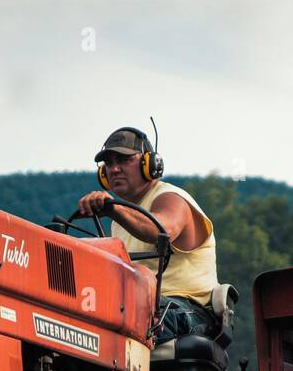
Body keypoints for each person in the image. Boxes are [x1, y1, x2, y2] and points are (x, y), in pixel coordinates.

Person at [77, 127, 221, 342]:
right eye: (109, 163)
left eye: (124, 160)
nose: (114, 169)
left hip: (188, 312)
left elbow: (161, 230)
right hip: (144, 304)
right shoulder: (121, 221)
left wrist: (113, 209)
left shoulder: (171, 198)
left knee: (125, 311)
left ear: (150, 164)